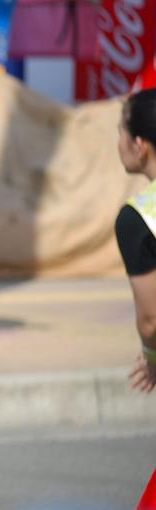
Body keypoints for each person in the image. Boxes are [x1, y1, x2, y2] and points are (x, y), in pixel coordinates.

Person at [114, 88, 156, 395]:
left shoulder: (138, 217)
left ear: (140, 145)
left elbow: (151, 320)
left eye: (121, 133)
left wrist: (152, 357)